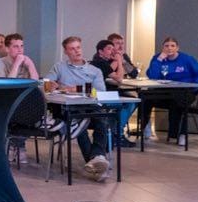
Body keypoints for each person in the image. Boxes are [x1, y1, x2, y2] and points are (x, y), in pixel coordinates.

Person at [46, 37, 112, 179]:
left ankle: (96, 159)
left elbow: (100, 91)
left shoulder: (95, 70)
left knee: (102, 118)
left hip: (91, 107)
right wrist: (51, 84)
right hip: (71, 109)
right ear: (66, 52)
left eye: (78, 47)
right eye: (72, 48)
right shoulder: (59, 67)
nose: (77, 51)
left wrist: (75, 88)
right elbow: (46, 83)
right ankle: (97, 159)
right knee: (78, 122)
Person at [143, 37, 198, 145]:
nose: (169, 48)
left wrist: (194, 88)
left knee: (180, 101)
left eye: (172, 46)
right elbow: (152, 76)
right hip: (166, 91)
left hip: (185, 91)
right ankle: (145, 125)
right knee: (145, 97)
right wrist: (159, 60)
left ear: (177, 48)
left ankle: (181, 134)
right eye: (166, 46)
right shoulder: (157, 58)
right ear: (163, 48)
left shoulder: (187, 59)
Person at [90, 39, 137, 147]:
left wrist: (118, 61)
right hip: (101, 94)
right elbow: (119, 78)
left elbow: (132, 73)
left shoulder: (104, 61)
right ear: (100, 52)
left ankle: (113, 131)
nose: (112, 51)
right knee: (129, 102)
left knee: (131, 99)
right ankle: (117, 134)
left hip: (108, 91)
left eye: (112, 48)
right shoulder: (99, 62)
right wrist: (119, 61)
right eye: (109, 49)